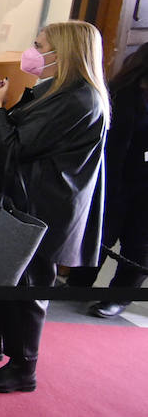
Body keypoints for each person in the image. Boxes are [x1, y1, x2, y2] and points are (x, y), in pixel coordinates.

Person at [0, 21, 108, 393]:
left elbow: (14, 144)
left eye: (38, 45)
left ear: (61, 53)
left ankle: (23, 368)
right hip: (26, 196)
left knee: (29, 285)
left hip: (44, 206)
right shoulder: (57, 91)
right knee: (4, 272)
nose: (30, 51)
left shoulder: (79, 98)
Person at [65, 43, 148, 316]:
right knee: (98, 234)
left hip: (144, 185)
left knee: (139, 244)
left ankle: (119, 297)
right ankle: (78, 284)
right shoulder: (119, 92)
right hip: (111, 178)